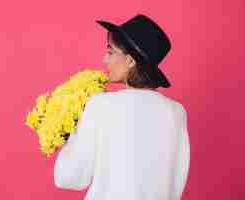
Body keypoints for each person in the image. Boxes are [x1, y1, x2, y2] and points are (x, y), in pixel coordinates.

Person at [54, 14, 190, 200]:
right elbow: (174, 184)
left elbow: (70, 178)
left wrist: (71, 133)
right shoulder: (176, 113)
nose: (105, 60)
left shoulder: (101, 105)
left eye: (110, 52)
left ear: (131, 61)